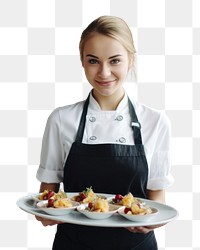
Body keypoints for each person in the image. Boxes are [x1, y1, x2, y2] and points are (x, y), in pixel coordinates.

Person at [36, 15, 173, 250]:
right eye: (93, 61)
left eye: (115, 61)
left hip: (136, 245)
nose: (104, 72)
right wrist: (46, 214)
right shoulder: (61, 119)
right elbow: (47, 193)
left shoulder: (156, 121)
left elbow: (157, 198)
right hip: (73, 244)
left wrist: (151, 221)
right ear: (82, 61)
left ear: (131, 60)